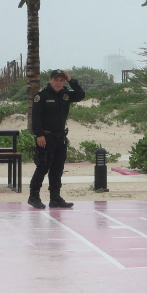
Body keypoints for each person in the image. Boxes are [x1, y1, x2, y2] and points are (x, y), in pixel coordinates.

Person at [28, 69, 86, 209]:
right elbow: (35, 117)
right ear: (50, 80)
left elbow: (80, 95)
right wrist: (39, 135)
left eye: (61, 80)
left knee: (57, 169)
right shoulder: (41, 96)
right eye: (56, 80)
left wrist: (72, 81)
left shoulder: (65, 95)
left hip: (60, 138)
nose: (59, 83)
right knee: (43, 167)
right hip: (46, 137)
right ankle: (34, 196)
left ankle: (55, 198)